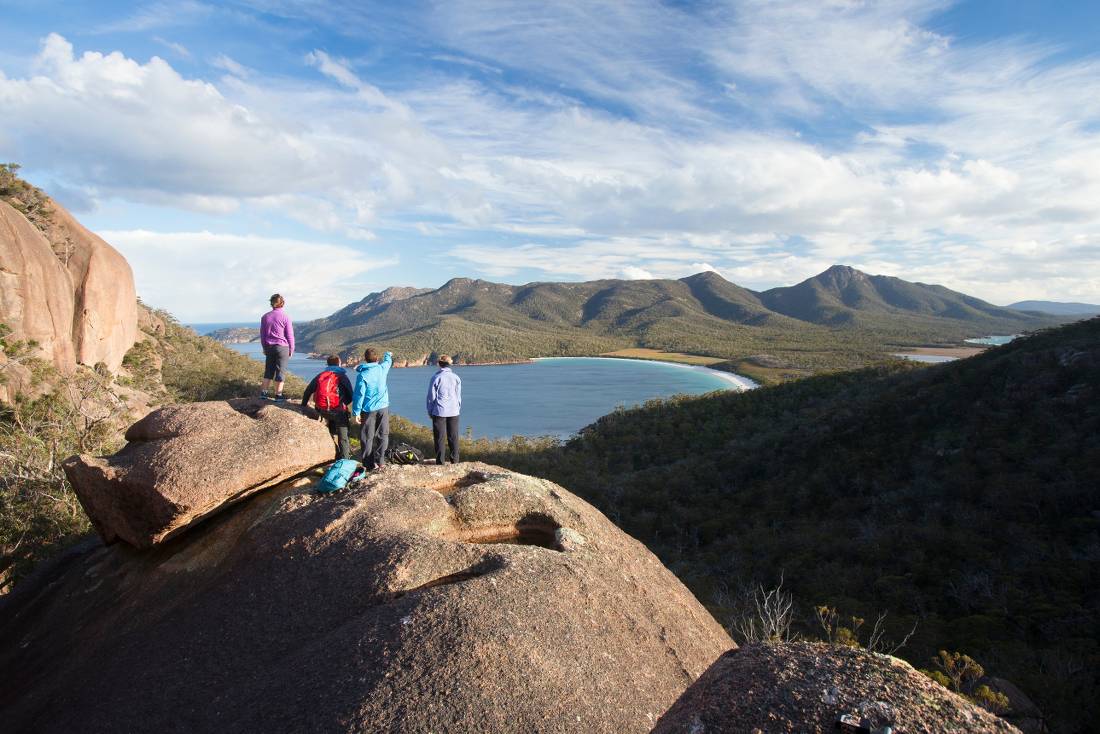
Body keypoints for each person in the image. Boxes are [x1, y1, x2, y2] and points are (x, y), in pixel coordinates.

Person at [301, 355, 354, 459]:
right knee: (343, 437)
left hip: (322, 410)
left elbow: (308, 391)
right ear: (339, 363)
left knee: (331, 427)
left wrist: (303, 406)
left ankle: (331, 448)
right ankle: (344, 459)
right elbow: (351, 395)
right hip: (338, 411)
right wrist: (344, 404)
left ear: (328, 364)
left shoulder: (321, 375)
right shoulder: (342, 376)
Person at [353, 347, 393, 469]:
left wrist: (356, 412)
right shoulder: (382, 368)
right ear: (377, 358)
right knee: (383, 434)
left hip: (368, 409)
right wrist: (388, 354)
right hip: (383, 407)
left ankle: (368, 464)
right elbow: (388, 361)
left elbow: (359, 395)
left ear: (365, 359)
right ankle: (381, 461)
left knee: (367, 437)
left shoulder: (363, 375)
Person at [427, 354, 462, 465]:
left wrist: (430, 411)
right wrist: (457, 408)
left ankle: (440, 462)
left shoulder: (436, 377)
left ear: (439, 364)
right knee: (453, 437)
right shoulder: (456, 377)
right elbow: (458, 396)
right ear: (450, 364)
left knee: (439, 438)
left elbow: (431, 397)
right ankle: (455, 461)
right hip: (454, 410)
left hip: (439, 411)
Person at [259, 293, 295, 401]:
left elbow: (263, 335)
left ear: (271, 303)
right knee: (280, 371)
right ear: (282, 303)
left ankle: (263, 394)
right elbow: (289, 335)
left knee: (268, 371)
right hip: (282, 347)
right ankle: (278, 396)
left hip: (269, 347)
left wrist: (265, 348)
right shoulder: (286, 317)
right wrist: (291, 349)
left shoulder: (265, 317)